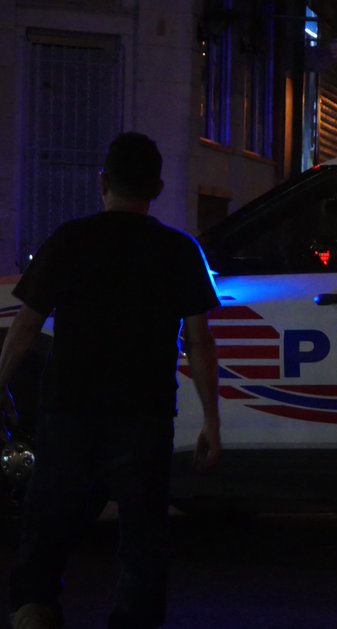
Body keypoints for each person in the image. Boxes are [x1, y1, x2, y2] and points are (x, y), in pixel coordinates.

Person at [0, 133, 221, 629]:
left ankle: (35, 607)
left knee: (48, 520)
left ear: (103, 181)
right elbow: (200, 340)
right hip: (143, 413)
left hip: (69, 408)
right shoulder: (179, 250)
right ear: (158, 188)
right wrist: (212, 419)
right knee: (142, 536)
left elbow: (26, 324)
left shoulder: (69, 240)